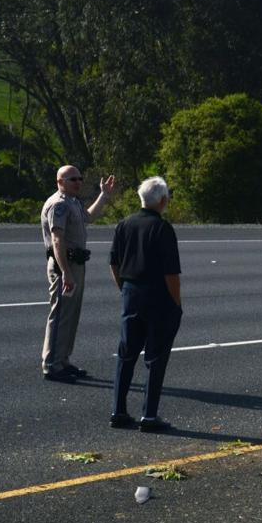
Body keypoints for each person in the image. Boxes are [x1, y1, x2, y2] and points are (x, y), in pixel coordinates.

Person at [108, 177, 183, 432]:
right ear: (162, 200)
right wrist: (176, 303)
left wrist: (124, 289)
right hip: (157, 295)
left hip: (131, 292)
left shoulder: (124, 224)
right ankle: (149, 415)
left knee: (126, 354)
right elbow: (171, 273)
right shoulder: (162, 228)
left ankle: (118, 410)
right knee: (156, 356)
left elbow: (114, 263)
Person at [40, 165, 119, 382]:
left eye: (79, 178)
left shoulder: (72, 202)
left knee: (71, 315)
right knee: (60, 315)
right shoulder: (59, 205)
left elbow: (89, 217)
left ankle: (63, 360)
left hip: (76, 264)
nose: (78, 182)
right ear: (60, 182)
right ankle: (52, 365)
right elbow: (57, 240)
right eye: (72, 179)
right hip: (64, 265)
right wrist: (65, 272)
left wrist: (104, 195)